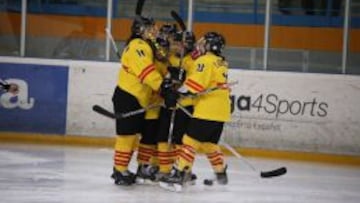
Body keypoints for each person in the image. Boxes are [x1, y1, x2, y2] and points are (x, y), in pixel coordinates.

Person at [159, 32, 231, 192]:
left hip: (207, 110)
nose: (200, 45)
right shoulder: (221, 62)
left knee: (189, 141)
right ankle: (220, 173)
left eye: (204, 43)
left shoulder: (205, 60)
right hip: (221, 111)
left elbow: (195, 85)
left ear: (210, 46)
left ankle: (179, 175)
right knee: (209, 144)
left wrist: (176, 93)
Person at [111, 15, 166, 186]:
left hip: (136, 98)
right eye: (150, 28)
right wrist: (163, 86)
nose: (153, 31)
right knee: (126, 136)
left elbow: (155, 68)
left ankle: (124, 168)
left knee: (132, 136)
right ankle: (119, 170)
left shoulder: (145, 46)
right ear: (140, 30)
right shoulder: (138, 46)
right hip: (128, 96)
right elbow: (147, 72)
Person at [156, 30, 197, 179]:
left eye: (182, 43)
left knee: (181, 140)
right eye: (176, 42)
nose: (178, 46)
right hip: (167, 104)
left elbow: (193, 84)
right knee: (163, 137)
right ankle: (165, 169)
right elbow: (162, 78)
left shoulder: (194, 62)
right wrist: (166, 88)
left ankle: (183, 170)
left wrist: (180, 88)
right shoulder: (169, 59)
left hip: (185, 106)